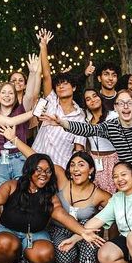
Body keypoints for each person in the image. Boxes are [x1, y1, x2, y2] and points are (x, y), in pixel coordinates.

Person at [0, 137, 111, 263]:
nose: (75, 169)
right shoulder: (62, 179)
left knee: (90, 230)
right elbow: (37, 160)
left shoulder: (100, 195)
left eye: (81, 165)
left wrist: (101, 235)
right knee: (62, 258)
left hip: (84, 232)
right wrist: (15, 140)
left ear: (91, 170)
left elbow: (115, 212)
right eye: (72, 165)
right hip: (59, 229)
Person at [31, 29, 86, 171]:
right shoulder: (51, 101)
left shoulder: (80, 117)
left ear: (74, 87)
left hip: (60, 167)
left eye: (65, 83)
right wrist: (43, 46)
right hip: (36, 163)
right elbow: (47, 76)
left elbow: (79, 149)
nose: (61, 87)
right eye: (58, 84)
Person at [0, 56, 41, 193]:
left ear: (15, 96)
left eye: (11, 93)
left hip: (19, 159)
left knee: (22, 196)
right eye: (4, 92)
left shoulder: (21, 110)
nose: (7, 95)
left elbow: (29, 95)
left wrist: (33, 73)